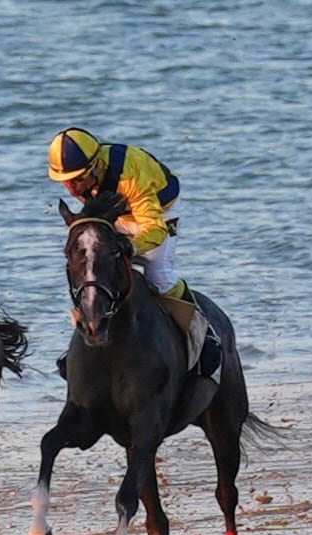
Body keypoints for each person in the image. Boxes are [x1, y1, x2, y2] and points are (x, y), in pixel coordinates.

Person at [47, 127, 216, 377]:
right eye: (66, 182)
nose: (72, 188)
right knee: (91, 270)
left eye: (78, 179)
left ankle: (203, 335)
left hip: (157, 213)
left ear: (95, 166)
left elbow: (154, 227)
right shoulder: (84, 178)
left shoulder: (130, 175)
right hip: (117, 212)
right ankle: (82, 338)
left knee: (159, 279)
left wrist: (132, 247)